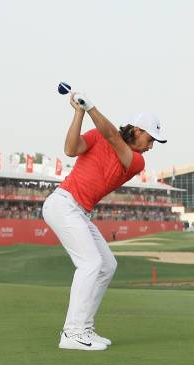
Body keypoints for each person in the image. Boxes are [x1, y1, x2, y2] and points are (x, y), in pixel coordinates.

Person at [42, 91, 166, 351]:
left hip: (78, 211)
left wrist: (90, 108)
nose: (151, 146)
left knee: (107, 265)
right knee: (91, 263)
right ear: (136, 130)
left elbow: (112, 136)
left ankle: (84, 327)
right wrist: (79, 112)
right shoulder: (98, 135)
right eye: (150, 138)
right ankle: (72, 333)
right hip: (63, 204)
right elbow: (70, 149)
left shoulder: (136, 161)